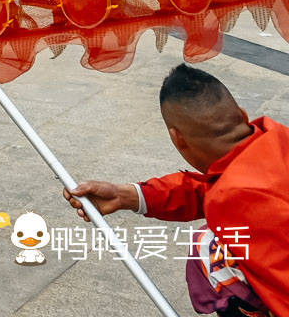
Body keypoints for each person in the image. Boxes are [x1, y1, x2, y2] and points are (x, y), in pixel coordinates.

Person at [65, 63, 289, 316]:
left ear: (177, 138)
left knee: (208, 247)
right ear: (242, 114)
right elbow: (216, 187)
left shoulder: (231, 196)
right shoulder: (278, 140)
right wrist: (125, 195)